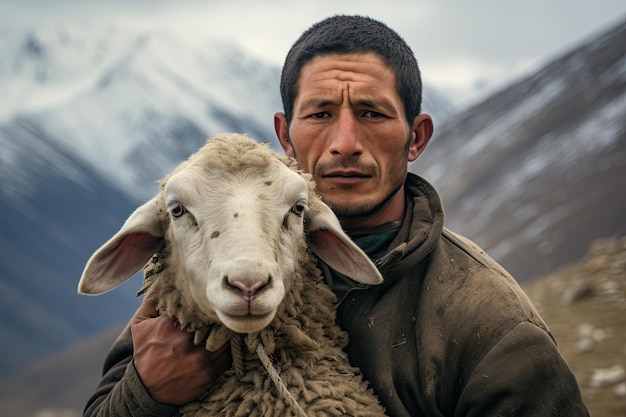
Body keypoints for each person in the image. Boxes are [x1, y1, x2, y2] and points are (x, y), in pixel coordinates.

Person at [83, 15, 590, 417]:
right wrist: (145, 392)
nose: (345, 144)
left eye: (372, 113)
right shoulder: (201, 271)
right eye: (321, 114)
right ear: (285, 134)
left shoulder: (488, 322)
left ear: (416, 137)